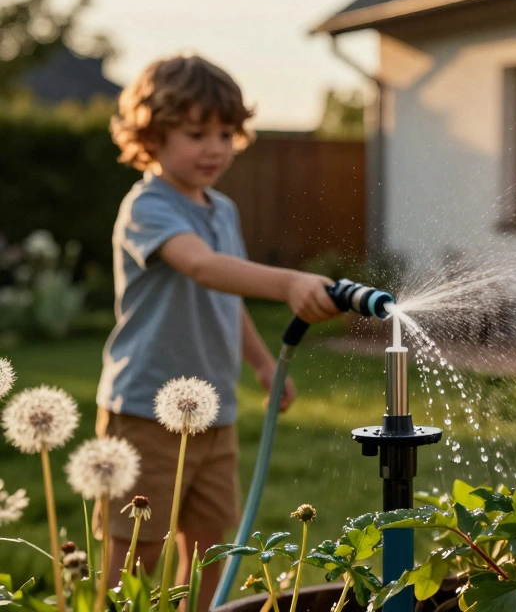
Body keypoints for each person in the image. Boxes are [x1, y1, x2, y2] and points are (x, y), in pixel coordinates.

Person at [96, 54, 340, 611]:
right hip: (145, 411)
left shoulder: (222, 208)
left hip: (216, 414)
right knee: (136, 551)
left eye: (226, 133)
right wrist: (288, 283)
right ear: (151, 136)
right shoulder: (147, 208)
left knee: (213, 546)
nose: (215, 147)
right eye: (196, 132)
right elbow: (202, 267)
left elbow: (224, 297)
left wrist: (261, 362)